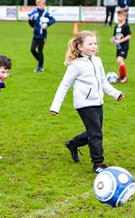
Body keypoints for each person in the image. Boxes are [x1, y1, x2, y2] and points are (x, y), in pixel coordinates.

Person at [50, 31, 124, 174]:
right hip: (84, 104)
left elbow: (103, 82)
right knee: (96, 133)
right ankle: (98, 163)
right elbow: (64, 85)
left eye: (95, 43)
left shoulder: (98, 61)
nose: (94, 46)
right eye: (90, 44)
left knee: (94, 132)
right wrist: (55, 107)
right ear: (80, 46)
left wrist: (116, 93)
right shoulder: (76, 65)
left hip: (98, 102)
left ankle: (72, 144)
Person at [27, 0, 55, 72]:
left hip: (42, 35)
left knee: (40, 50)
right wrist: (29, 20)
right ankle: (40, 61)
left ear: (44, 4)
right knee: (32, 49)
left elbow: (53, 20)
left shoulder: (46, 13)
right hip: (35, 35)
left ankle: (40, 67)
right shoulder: (35, 13)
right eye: (38, 4)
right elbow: (32, 25)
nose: (40, 6)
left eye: (41, 4)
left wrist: (47, 24)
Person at [112, 9, 132, 83]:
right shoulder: (116, 26)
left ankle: (124, 78)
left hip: (124, 46)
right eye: (118, 16)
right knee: (119, 62)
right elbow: (114, 36)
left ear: (124, 17)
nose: (118, 17)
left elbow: (129, 36)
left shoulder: (126, 26)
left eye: (120, 16)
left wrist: (120, 41)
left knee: (119, 60)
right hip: (118, 47)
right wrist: (113, 40)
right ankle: (121, 77)